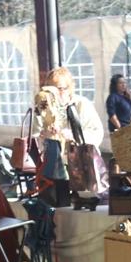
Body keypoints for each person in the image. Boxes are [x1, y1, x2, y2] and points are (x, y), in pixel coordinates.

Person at [33, 67, 105, 206]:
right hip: (53, 171)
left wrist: (72, 136)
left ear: (70, 88)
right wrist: (45, 136)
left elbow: (97, 132)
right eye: (50, 90)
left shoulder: (81, 104)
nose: (55, 94)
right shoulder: (42, 108)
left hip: (81, 166)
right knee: (56, 204)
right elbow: (34, 136)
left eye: (60, 89)